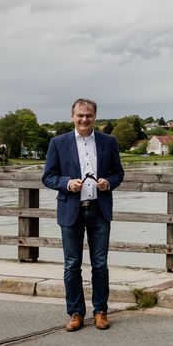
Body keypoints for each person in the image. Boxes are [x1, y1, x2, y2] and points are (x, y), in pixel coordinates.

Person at [42, 98, 124, 332]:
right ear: (72, 116)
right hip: (71, 210)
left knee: (100, 264)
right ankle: (76, 313)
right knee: (72, 265)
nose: (84, 119)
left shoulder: (109, 142)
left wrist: (108, 183)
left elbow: (119, 173)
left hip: (99, 210)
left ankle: (100, 311)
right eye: (80, 115)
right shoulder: (58, 143)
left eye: (88, 115)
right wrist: (67, 184)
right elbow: (48, 176)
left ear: (95, 117)